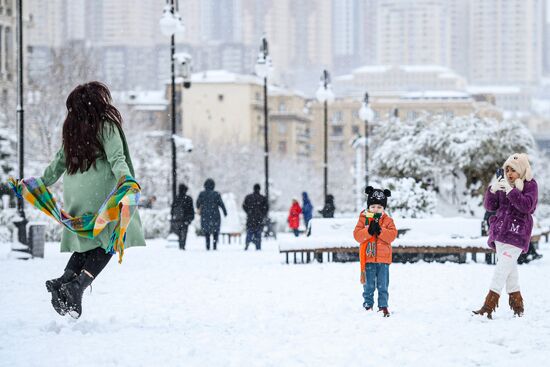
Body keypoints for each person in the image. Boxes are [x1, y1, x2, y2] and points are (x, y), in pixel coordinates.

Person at [41, 81, 145, 318]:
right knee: (109, 243)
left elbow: (57, 164)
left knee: (88, 243)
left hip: (75, 191)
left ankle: (64, 280)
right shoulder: (106, 125)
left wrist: (38, 184)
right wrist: (126, 181)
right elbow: (117, 158)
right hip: (101, 191)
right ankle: (77, 287)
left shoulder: (72, 129)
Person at [473, 153, 538, 319]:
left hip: (517, 235)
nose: (509, 173)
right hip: (500, 233)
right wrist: (492, 190)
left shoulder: (530, 185)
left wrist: (511, 191)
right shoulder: (503, 183)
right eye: (507, 169)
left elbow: (527, 207)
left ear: (521, 170)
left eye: (513, 170)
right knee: (510, 272)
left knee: (501, 271)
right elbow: (490, 206)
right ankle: (518, 307)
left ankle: (488, 307)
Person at [353, 186, 398, 317]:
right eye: (373, 207)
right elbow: (357, 235)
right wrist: (368, 231)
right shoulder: (363, 219)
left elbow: (392, 236)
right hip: (368, 258)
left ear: (383, 208)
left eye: (379, 207)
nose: (376, 209)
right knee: (368, 285)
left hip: (383, 260)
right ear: (368, 207)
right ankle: (368, 305)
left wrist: (380, 231)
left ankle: (383, 306)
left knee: (383, 285)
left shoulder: (388, 221)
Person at [196, 178, 227, 250]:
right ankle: (215, 245)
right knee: (215, 230)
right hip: (215, 214)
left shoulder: (202, 194)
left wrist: (199, 208)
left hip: (205, 215)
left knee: (207, 231)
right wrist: (225, 212)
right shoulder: (216, 194)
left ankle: (207, 246)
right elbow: (221, 204)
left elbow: (197, 204)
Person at [242, 183, 268, 250]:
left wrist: (248, 212)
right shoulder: (262, 198)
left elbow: (244, 205)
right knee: (258, 233)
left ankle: (247, 244)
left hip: (250, 218)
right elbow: (266, 208)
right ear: (259, 189)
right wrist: (262, 214)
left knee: (249, 232)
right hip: (259, 219)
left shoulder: (248, 197)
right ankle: (258, 246)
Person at [171, 184, 195, 250]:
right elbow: (191, 209)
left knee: (179, 232)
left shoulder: (176, 198)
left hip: (178, 219)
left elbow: (172, 208)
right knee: (184, 231)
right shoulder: (188, 198)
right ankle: (183, 244)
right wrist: (191, 217)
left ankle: (180, 244)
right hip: (185, 219)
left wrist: (173, 217)